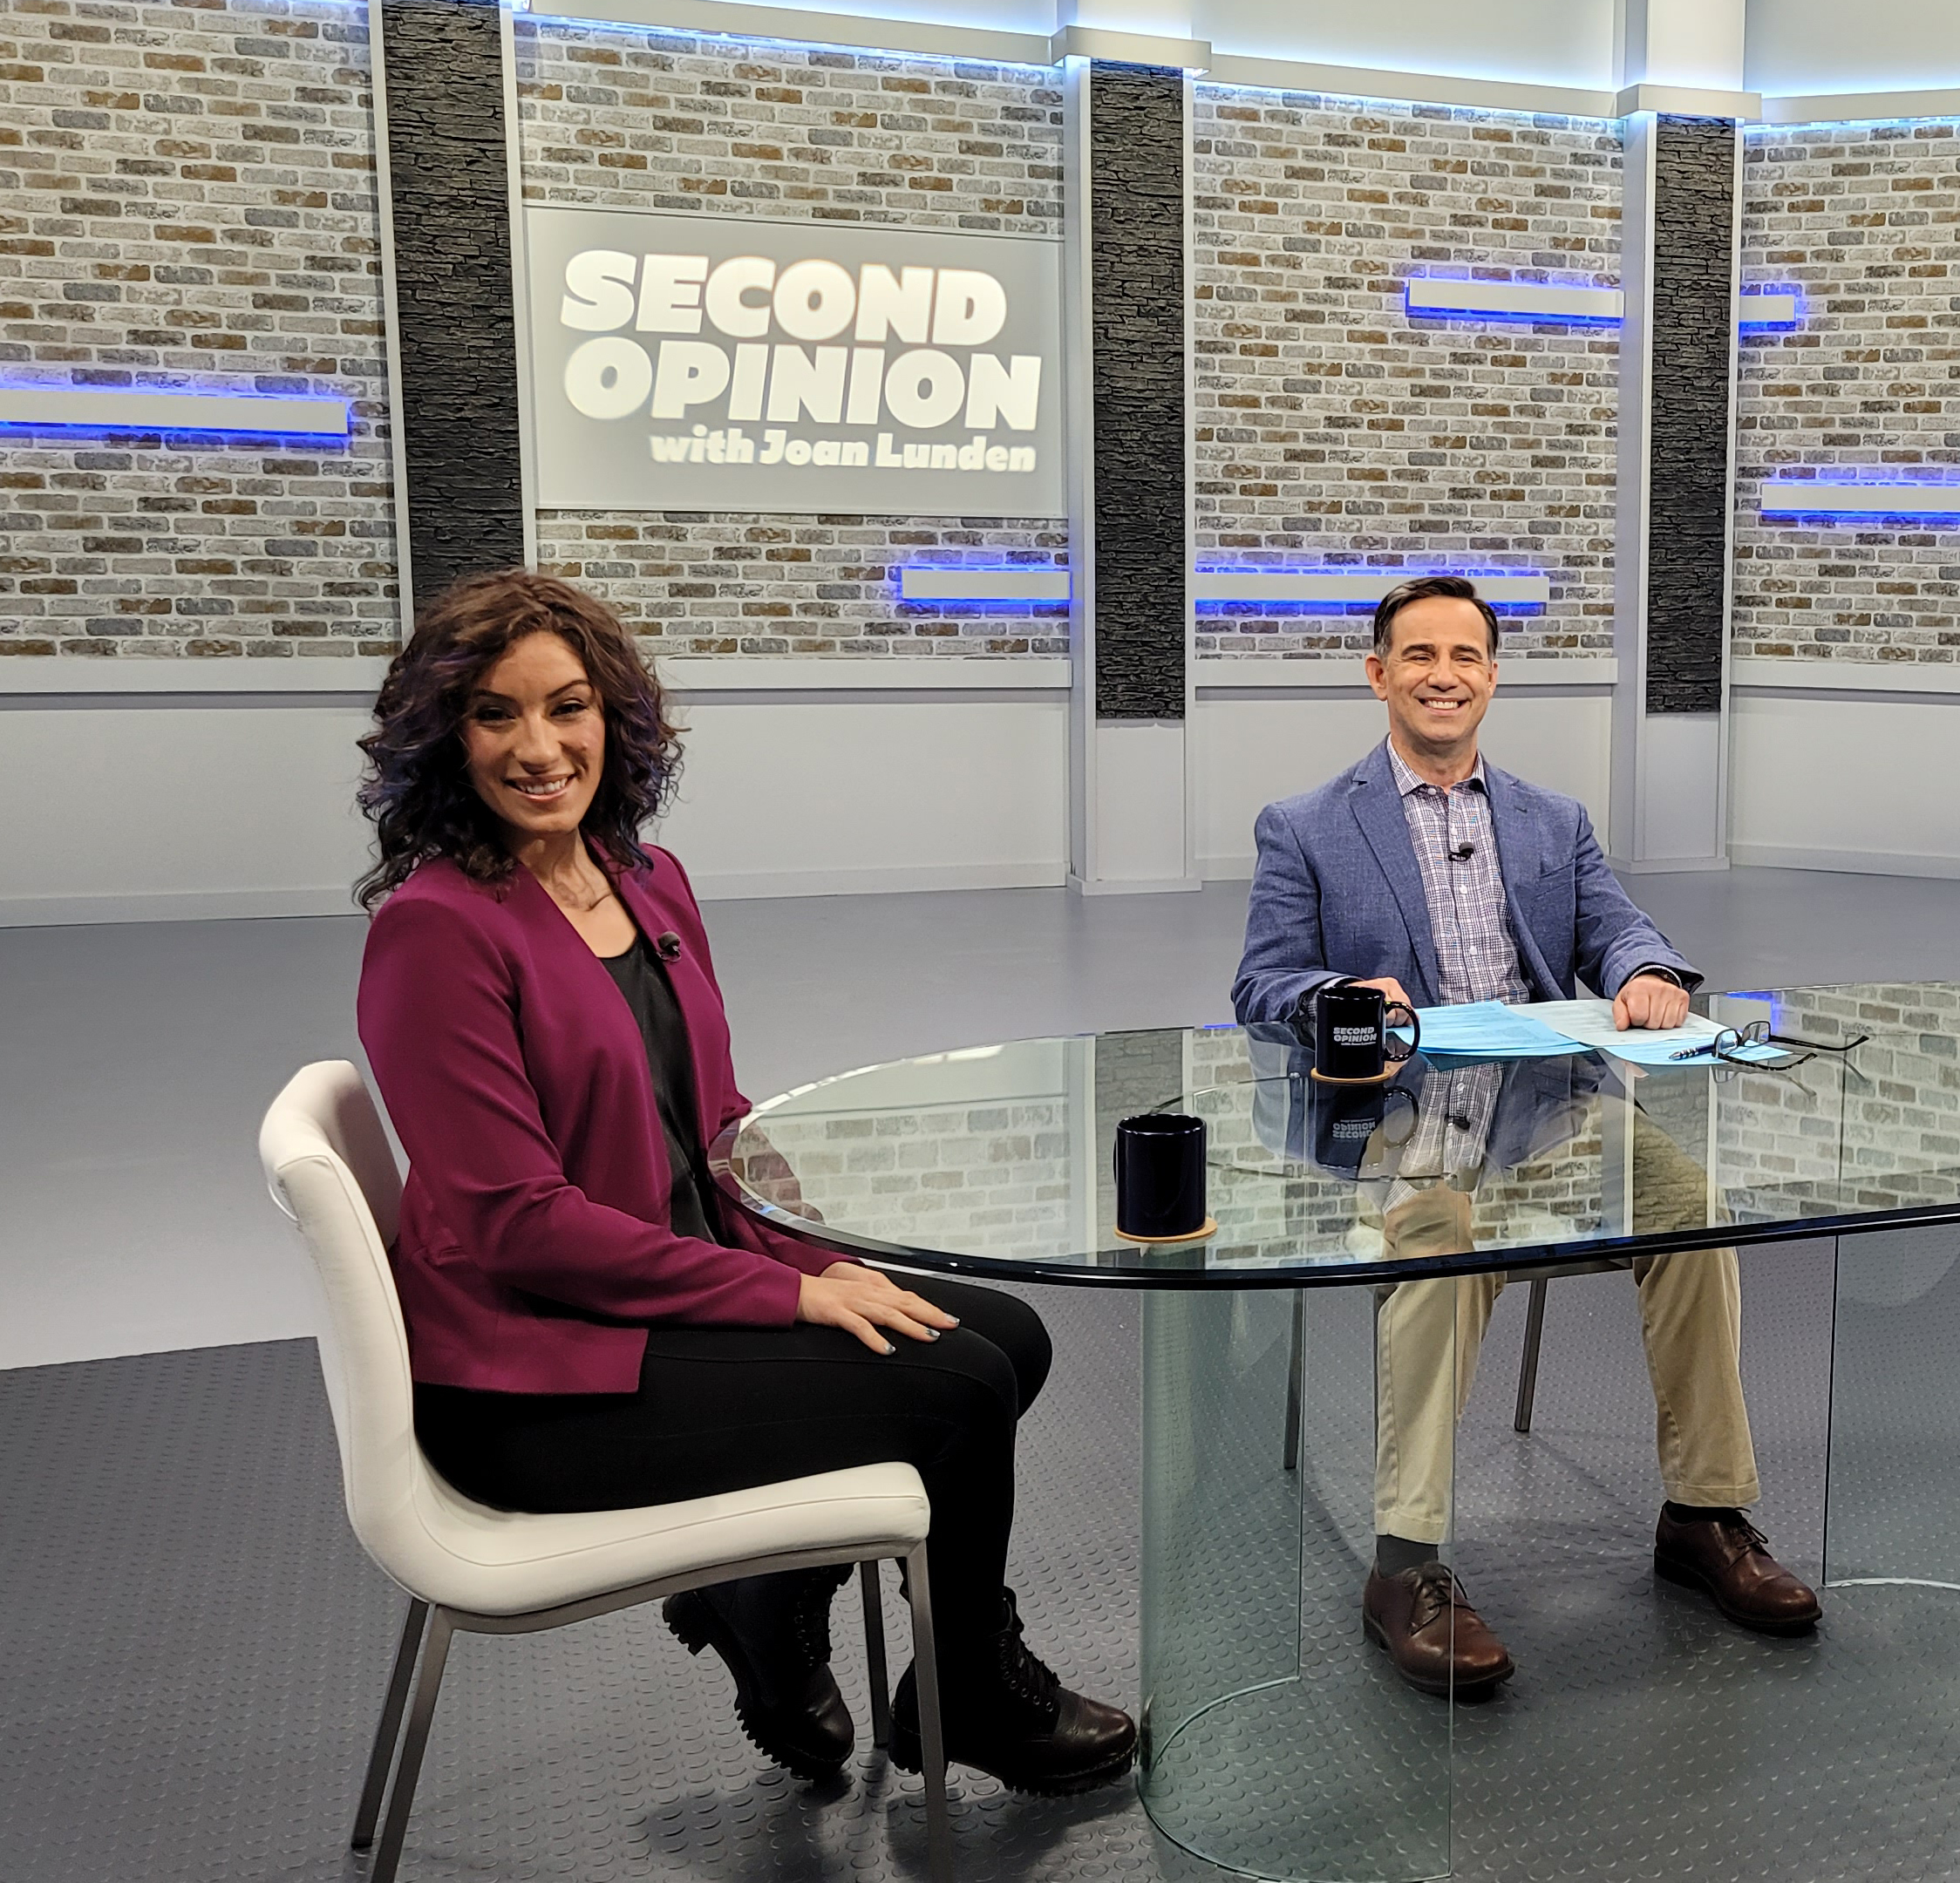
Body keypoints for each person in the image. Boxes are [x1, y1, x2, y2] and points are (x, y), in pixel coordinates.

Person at [351, 568, 1133, 1794]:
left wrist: (817, 1253)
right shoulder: (438, 929)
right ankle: (969, 1688)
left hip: (658, 1300)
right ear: (445, 738)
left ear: (614, 715)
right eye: (495, 713)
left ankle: (768, 1600)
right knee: (955, 1386)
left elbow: (714, 1119)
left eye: (567, 705)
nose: (540, 745)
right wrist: (788, 1298)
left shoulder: (642, 878)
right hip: (535, 1375)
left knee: (1010, 1334)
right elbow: (521, 1226)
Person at [1231, 574, 1820, 1696]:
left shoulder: (1553, 820)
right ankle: (1406, 1564)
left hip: (1548, 1114)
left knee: (1691, 1209)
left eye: (1464, 655)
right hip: (1398, 1124)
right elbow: (1263, 981)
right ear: (1378, 673)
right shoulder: (1304, 825)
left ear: (1491, 676)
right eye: (1418, 656)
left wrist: (1645, 971)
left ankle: (1704, 1513)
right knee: (1439, 1236)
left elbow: (1615, 924)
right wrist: (1342, 999)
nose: (1442, 674)